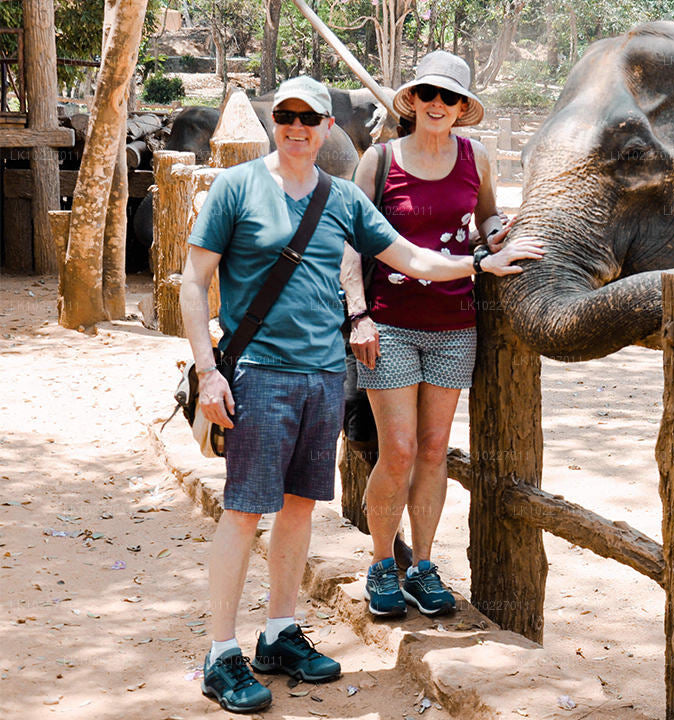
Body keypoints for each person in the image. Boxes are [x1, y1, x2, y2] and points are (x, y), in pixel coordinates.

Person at [180, 75, 541, 714]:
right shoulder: (237, 188)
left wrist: (479, 265)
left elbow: (413, 258)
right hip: (258, 373)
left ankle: (279, 634)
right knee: (243, 512)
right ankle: (219, 652)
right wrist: (208, 371)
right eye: (285, 115)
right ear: (274, 121)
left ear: (328, 128)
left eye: (309, 118)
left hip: (323, 374)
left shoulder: (341, 197)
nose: (296, 127)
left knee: (297, 510)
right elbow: (193, 282)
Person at [342, 51, 509, 619]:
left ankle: (424, 565)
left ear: (463, 109)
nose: (438, 104)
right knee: (400, 451)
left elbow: (484, 218)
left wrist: (499, 232)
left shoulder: (477, 159)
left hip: (454, 324)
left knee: (435, 451)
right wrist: (357, 314)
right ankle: (383, 564)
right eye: (429, 94)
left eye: (450, 97)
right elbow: (350, 244)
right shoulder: (380, 160)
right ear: (411, 101)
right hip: (387, 324)